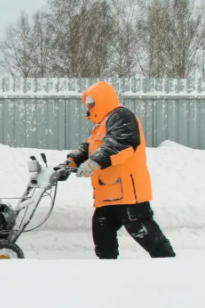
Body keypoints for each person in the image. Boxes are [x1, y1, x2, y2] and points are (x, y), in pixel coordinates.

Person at [59, 81, 175, 259]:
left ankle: (170, 264)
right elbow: (89, 147)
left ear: (103, 99)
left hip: (129, 192)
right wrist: (72, 161)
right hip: (109, 193)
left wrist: (94, 163)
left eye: (92, 102)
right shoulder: (101, 125)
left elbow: (122, 143)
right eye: (87, 103)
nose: (88, 107)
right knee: (101, 231)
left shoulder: (121, 116)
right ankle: (109, 270)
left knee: (144, 232)